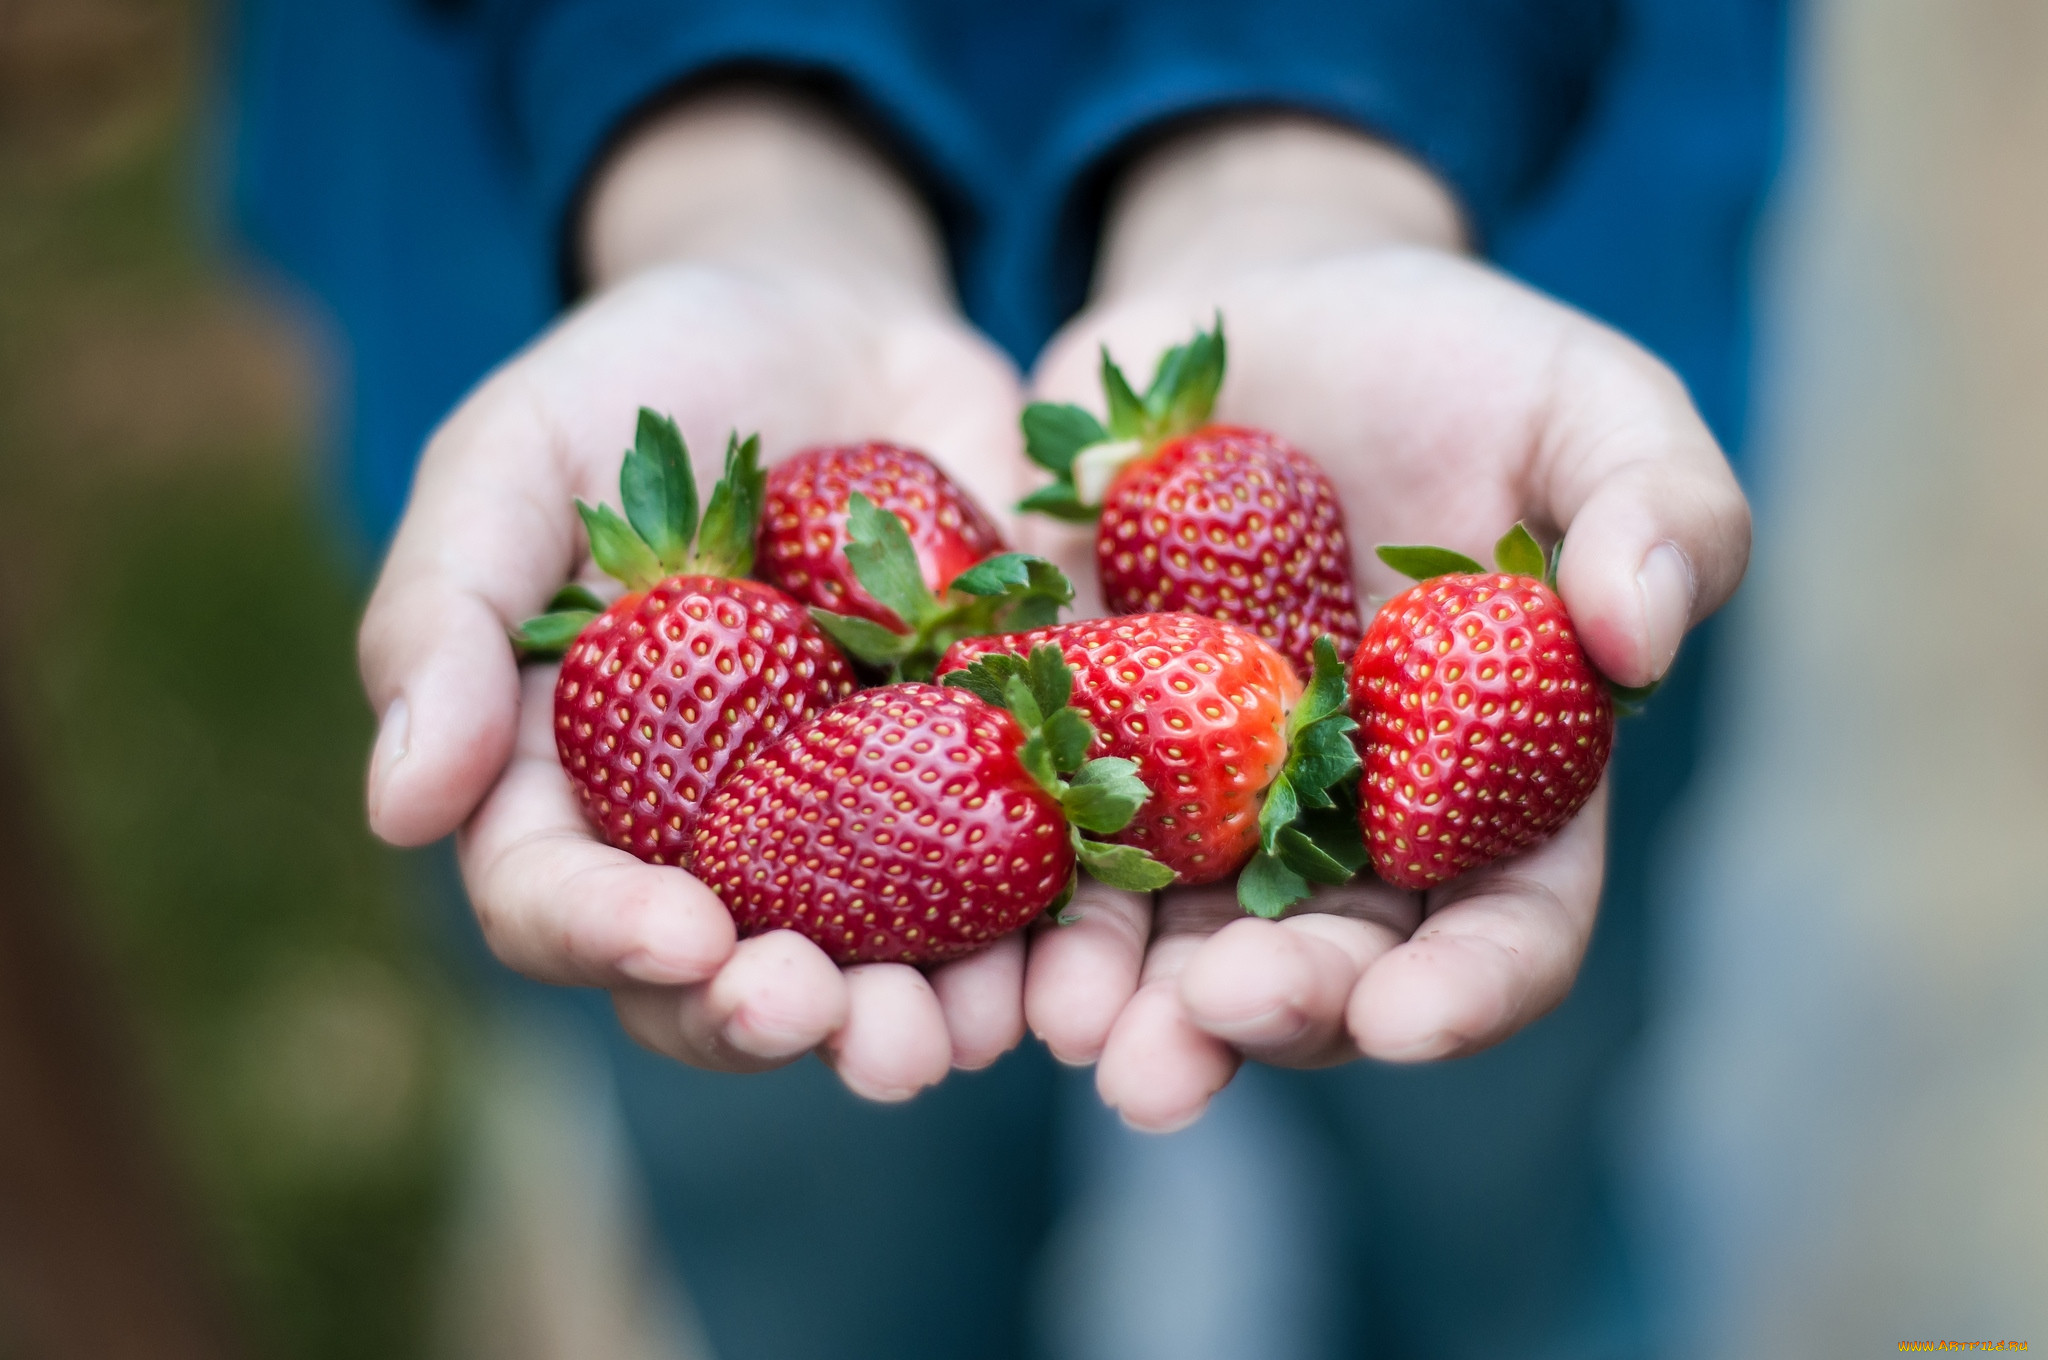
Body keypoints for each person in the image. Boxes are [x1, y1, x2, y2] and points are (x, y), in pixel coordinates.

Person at [227, 1, 1779, 1354]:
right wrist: (729, 160)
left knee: (1496, 1209)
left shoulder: (1425, 641)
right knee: (825, 1250)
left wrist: (1319, 139)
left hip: (1478, 249)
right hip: (575, 170)